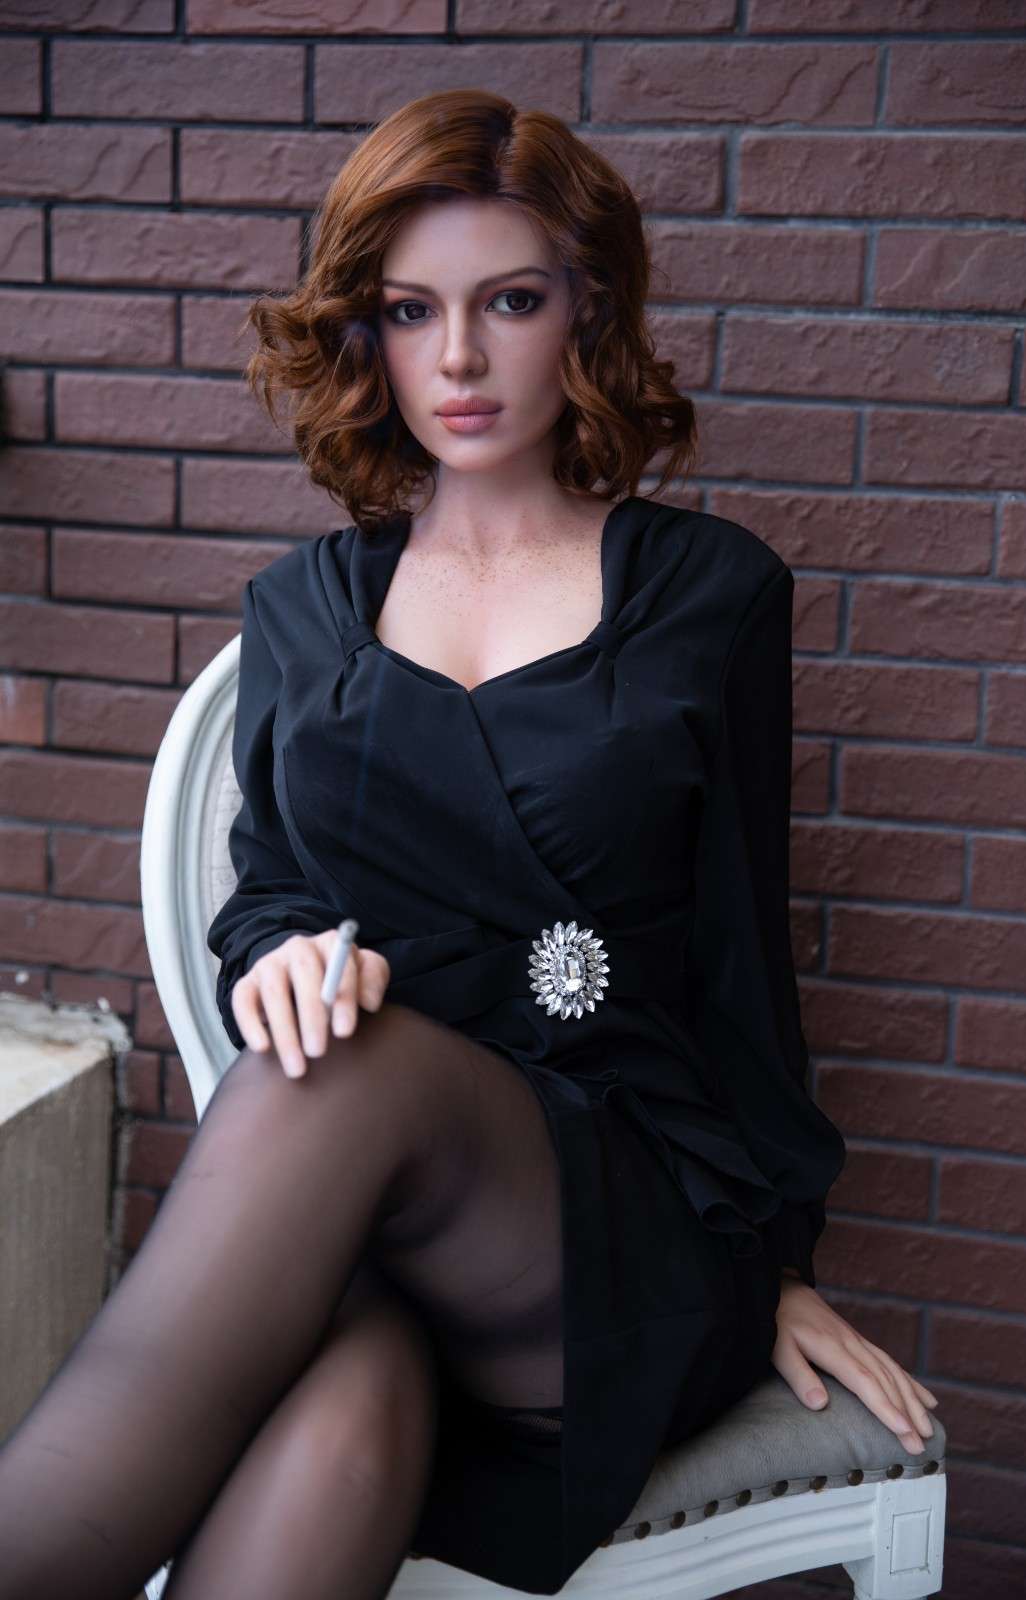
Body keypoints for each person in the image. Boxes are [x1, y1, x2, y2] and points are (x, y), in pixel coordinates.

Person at [0, 87, 939, 1600]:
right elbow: (273, 890)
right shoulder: (304, 609)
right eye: (408, 310)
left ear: (586, 309)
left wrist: (781, 1262)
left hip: (607, 1238)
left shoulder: (708, 595)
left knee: (332, 1076)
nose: (456, 358)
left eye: (509, 301)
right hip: (374, 1234)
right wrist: (276, 953)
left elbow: (742, 959)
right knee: (346, 1399)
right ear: (362, 335)